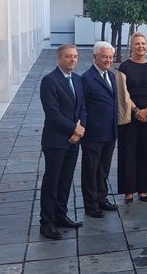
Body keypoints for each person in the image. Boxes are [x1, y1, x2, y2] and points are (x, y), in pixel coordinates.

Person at [38, 44, 86, 240]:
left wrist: (80, 130)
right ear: (59, 59)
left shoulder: (77, 79)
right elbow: (52, 113)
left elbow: (82, 107)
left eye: (75, 56)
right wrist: (74, 128)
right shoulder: (49, 81)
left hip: (74, 141)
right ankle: (46, 222)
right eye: (68, 57)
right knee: (52, 181)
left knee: (66, 181)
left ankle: (60, 215)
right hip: (56, 141)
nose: (72, 60)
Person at [116, 33, 147, 204]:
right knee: (128, 152)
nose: (141, 47)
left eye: (143, 44)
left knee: (146, 151)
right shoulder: (124, 68)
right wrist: (136, 110)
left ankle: (143, 188)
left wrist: (146, 110)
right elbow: (122, 92)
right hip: (129, 115)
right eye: (137, 44)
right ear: (131, 46)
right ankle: (128, 190)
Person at [81, 41, 118, 218]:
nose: (108, 60)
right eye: (104, 57)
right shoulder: (86, 79)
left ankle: (101, 198)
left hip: (110, 132)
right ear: (95, 57)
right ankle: (90, 205)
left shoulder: (111, 76)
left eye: (110, 57)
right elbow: (81, 107)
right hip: (93, 134)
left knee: (103, 169)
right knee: (91, 170)